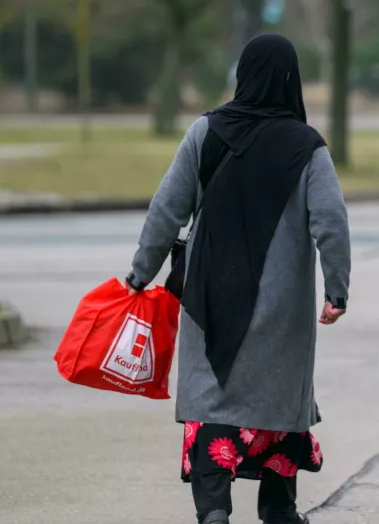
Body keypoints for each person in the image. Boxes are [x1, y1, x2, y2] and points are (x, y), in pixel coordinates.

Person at [124, 33, 351, 524]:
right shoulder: (307, 146)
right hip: (281, 304)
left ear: (243, 76)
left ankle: (213, 509)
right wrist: (337, 290)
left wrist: (140, 273)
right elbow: (331, 221)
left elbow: (166, 209)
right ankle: (278, 507)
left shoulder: (206, 132)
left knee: (212, 399)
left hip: (209, 295)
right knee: (277, 398)